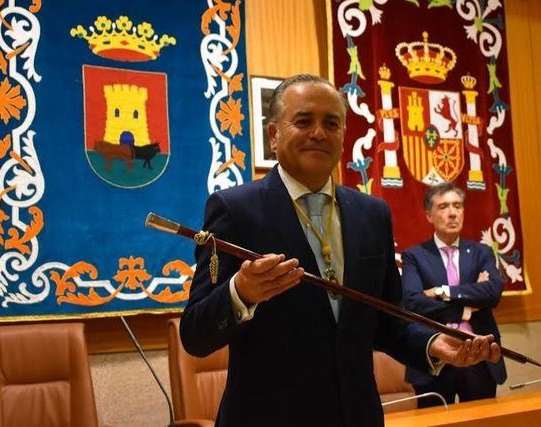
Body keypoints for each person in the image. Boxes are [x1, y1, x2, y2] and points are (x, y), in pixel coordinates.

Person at [180, 74, 501, 427]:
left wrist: (434, 344)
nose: (319, 132)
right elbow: (195, 334)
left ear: (343, 136)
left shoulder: (372, 214)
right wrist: (239, 294)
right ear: (274, 135)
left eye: (331, 123)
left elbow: (386, 321)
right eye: (303, 121)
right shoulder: (234, 208)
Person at [401, 182, 507, 408]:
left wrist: (442, 292)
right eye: (443, 207)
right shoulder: (414, 256)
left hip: (479, 354)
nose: (452, 213)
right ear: (429, 215)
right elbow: (412, 302)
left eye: (457, 206)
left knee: (483, 422)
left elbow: (492, 292)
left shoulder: (481, 252)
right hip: (435, 356)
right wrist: (467, 308)